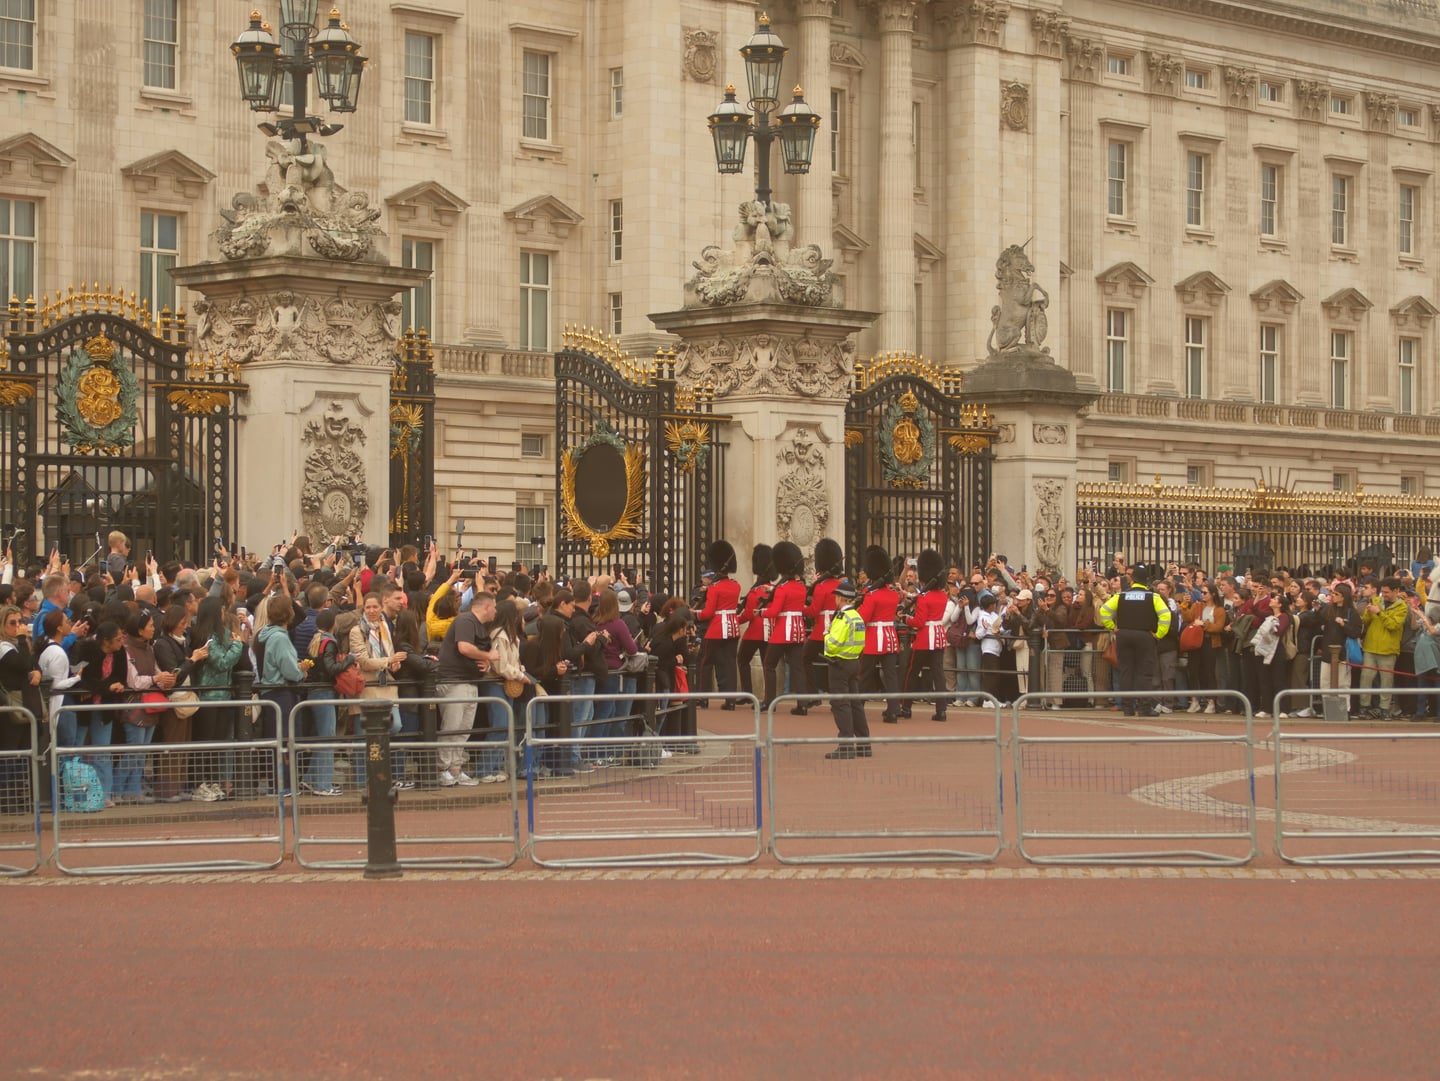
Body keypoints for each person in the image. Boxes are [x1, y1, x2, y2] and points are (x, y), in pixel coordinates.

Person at [433, 590, 498, 787]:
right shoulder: (465, 620)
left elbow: (475, 652)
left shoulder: (479, 626)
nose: (496, 611)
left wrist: (485, 663)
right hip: (454, 680)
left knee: (464, 729)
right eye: (494, 607)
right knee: (452, 727)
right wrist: (488, 656)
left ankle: (455, 768)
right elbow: (464, 647)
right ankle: (442, 769)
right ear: (486, 606)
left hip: (470, 681)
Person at [114, 609, 176, 804]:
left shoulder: (149, 648)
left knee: (142, 752)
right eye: (150, 625)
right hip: (134, 706)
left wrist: (165, 679)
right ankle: (116, 790)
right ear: (140, 630)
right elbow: (133, 681)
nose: (153, 628)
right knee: (133, 751)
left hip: (150, 705)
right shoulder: (126, 650)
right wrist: (156, 679)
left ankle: (134, 790)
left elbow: (155, 672)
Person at [1098, 566, 1172, 717]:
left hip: (1124, 635)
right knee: (1144, 673)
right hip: (1145, 636)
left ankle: (1127, 708)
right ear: (1146, 580)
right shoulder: (1153, 597)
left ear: (1132, 580)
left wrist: (1112, 627)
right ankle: (1144, 708)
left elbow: (1104, 611)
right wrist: (1158, 634)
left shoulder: (1121, 595)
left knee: (1126, 672)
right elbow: (1166, 616)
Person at [822, 581, 870, 759]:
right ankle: (864, 744)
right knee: (855, 704)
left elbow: (833, 644)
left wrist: (826, 635)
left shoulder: (842, 617)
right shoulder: (856, 616)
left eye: (836, 596)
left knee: (840, 704)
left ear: (841, 598)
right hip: (853, 661)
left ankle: (846, 745)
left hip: (839, 663)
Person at [903, 549, 951, 721]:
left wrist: (905, 619)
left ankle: (906, 707)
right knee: (938, 674)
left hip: (924, 638)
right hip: (938, 637)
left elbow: (919, 621)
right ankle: (941, 710)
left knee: (912, 672)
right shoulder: (943, 596)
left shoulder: (924, 597)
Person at [761, 541, 807, 712]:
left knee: (769, 664)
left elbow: (774, 611)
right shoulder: (801, 587)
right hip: (797, 632)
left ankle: (769, 702)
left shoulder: (782, 589)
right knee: (798, 669)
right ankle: (802, 705)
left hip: (782, 632)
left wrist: (761, 613)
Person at [857, 545, 901, 722]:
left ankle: (858, 706)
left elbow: (862, 618)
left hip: (874, 639)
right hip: (890, 638)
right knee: (890, 675)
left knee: (864, 675)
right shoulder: (893, 594)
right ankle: (893, 710)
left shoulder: (872, 595)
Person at [695, 540, 741, 708]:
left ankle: (703, 698)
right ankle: (730, 701)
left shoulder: (714, 588)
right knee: (729, 664)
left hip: (716, 629)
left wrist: (695, 614)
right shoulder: (736, 586)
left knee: (705, 663)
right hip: (733, 628)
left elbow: (708, 613)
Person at [802, 537, 845, 711]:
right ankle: (837, 699)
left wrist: (801, 607)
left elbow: (813, 611)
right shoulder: (840, 585)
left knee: (805, 658)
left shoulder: (821, 586)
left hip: (821, 632)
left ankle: (813, 695)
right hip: (839, 631)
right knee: (835, 665)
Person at [1358, 576, 1408, 719]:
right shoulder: (1376, 601)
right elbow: (1365, 621)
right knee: (1366, 678)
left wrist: (1379, 613)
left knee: (1386, 680)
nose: (1384, 595)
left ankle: (1385, 708)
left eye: (1387, 592)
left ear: (1396, 591)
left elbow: (1393, 625)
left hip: (1388, 649)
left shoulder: (1402, 607)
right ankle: (1364, 706)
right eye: (1383, 592)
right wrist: (1369, 611)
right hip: (1370, 646)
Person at [735, 545, 773, 700]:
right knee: (767, 665)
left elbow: (749, 614)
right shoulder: (774, 589)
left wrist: (735, 620)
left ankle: (747, 693)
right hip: (769, 632)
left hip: (755, 632)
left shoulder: (756, 591)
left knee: (742, 660)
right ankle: (769, 697)